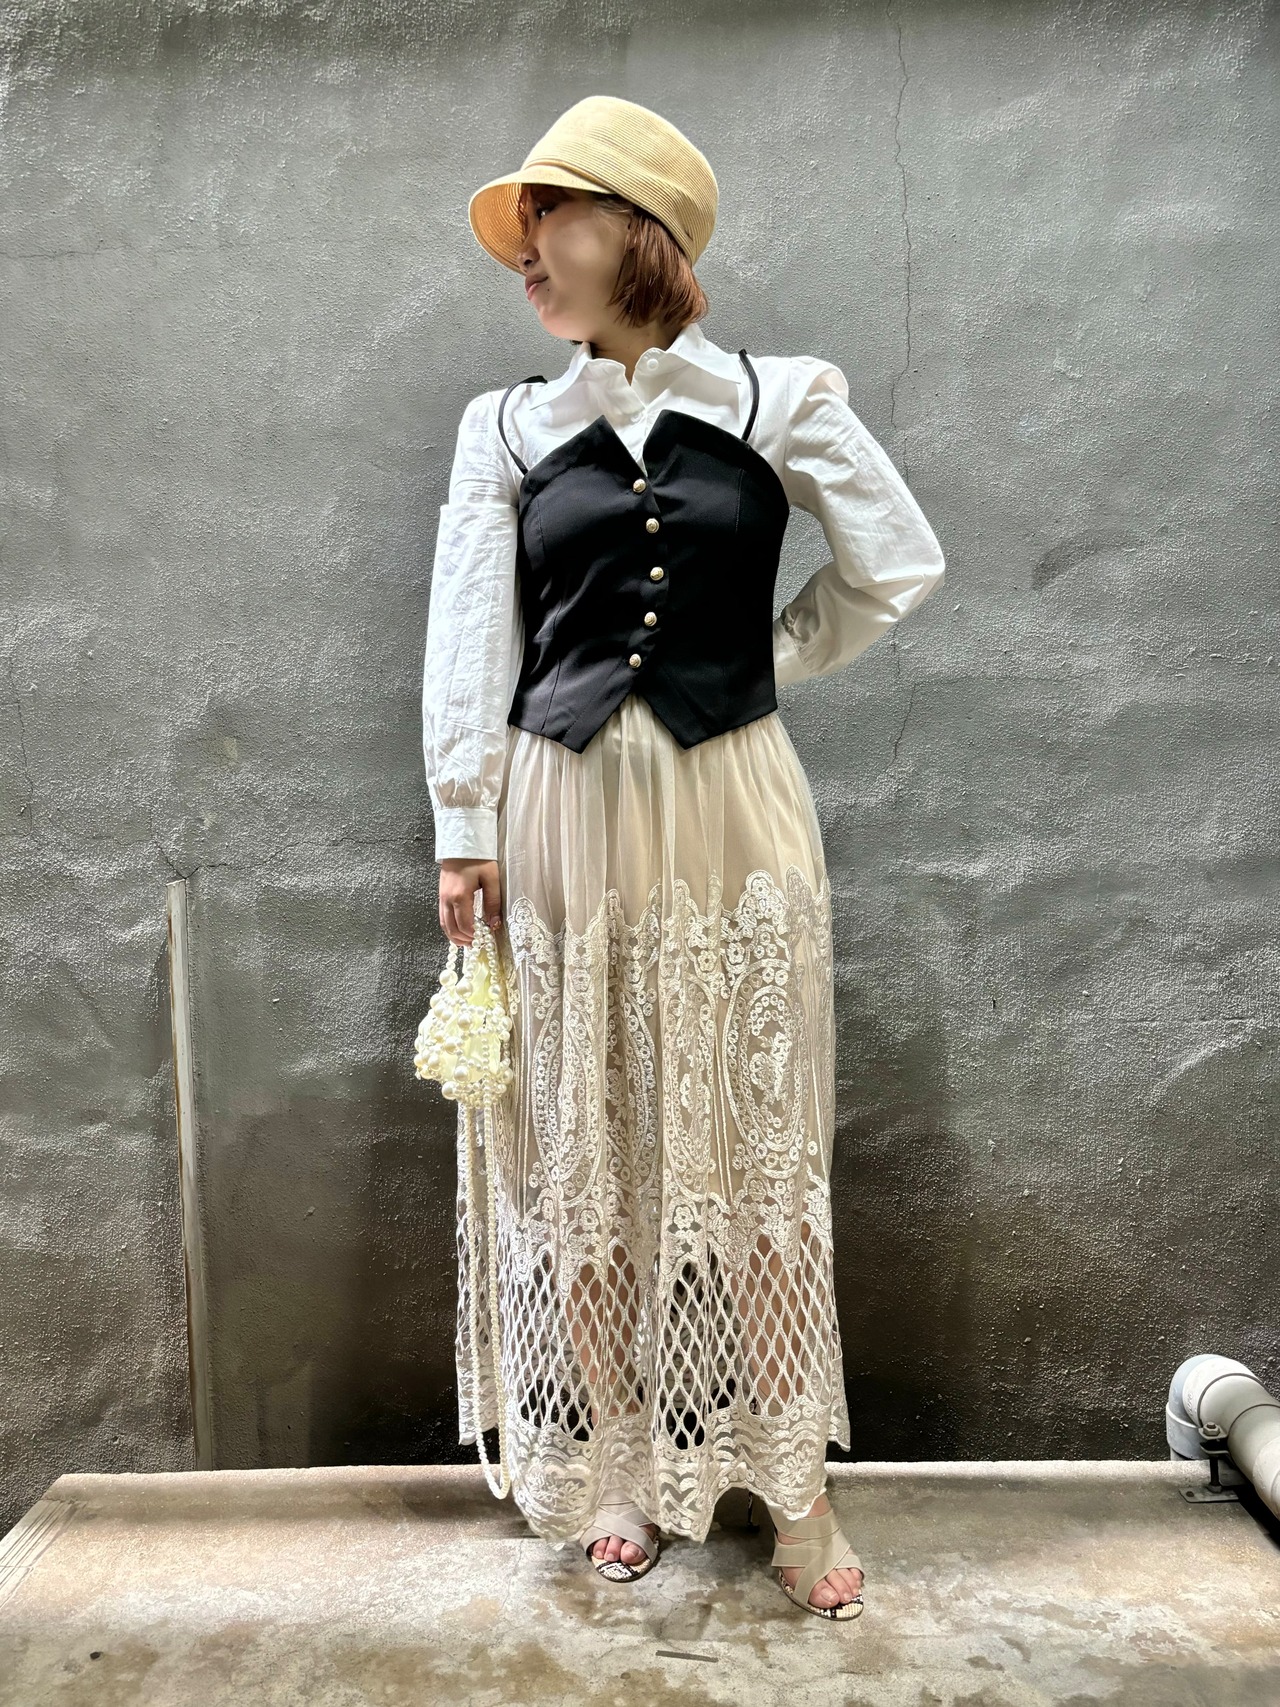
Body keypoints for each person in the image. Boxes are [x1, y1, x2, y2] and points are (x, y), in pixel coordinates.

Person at [421, 94, 945, 1620]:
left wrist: (769, 660)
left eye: (549, 224)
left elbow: (896, 561)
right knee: (582, 1139)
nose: (525, 259)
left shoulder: (782, 399)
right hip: (560, 809)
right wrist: (463, 823)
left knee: (753, 1133)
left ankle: (794, 1486)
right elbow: (472, 630)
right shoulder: (508, 426)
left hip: (732, 806)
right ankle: (617, 1467)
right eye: (519, 240)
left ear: (635, 232)